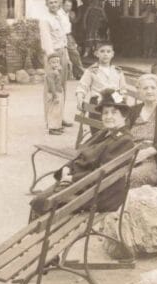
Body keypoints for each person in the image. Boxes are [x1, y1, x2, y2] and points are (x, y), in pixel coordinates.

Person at [29, 89, 135, 220]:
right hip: (85, 184)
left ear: (124, 115)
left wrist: (72, 179)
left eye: (114, 113)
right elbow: (82, 154)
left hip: (99, 193)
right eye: (105, 113)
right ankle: (37, 237)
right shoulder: (103, 133)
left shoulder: (124, 140)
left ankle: (40, 238)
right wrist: (67, 168)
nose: (108, 116)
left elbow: (103, 172)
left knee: (42, 202)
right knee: (40, 200)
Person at [38, 0, 72, 130]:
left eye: (55, 2)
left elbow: (64, 38)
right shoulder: (45, 19)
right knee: (52, 88)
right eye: (50, 3)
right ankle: (51, 121)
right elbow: (46, 40)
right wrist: (54, 61)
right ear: (46, 5)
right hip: (53, 56)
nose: (53, 4)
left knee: (62, 87)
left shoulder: (62, 16)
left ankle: (60, 117)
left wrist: (67, 57)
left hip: (63, 52)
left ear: (59, 3)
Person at [75, 42, 127, 111]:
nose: (105, 54)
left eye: (108, 52)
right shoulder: (92, 70)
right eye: (102, 51)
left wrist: (123, 97)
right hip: (98, 101)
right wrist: (80, 98)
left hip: (115, 100)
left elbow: (123, 88)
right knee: (98, 112)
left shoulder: (118, 71)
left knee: (121, 113)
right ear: (96, 54)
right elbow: (82, 87)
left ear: (112, 54)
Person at [44, 53, 65, 135]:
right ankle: (52, 128)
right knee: (53, 111)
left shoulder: (57, 71)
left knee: (58, 111)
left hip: (59, 92)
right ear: (49, 64)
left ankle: (57, 126)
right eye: (53, 62)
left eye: (57, 62)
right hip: (54, 93)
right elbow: (52, 85)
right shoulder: (50, 73)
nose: (56, 64)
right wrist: (55, 96)